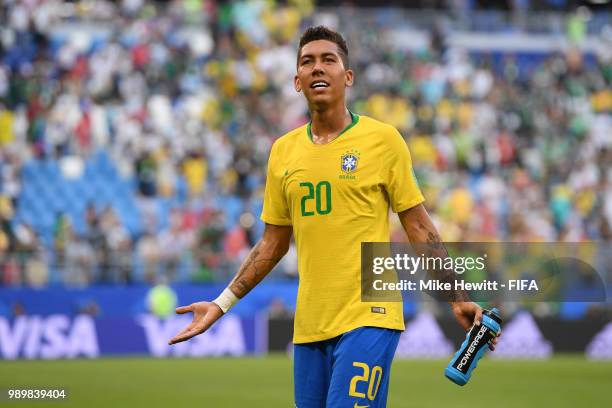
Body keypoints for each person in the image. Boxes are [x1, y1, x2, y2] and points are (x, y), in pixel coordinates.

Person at [169, 26, 498, 407]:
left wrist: (456, 297)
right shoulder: (283, 152)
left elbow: (419, 226)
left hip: (370, 316)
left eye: (329, 60)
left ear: (348, 76)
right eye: (307, 62)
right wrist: (222, 302)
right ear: (297, 81)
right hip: (310, 324)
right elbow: (272, 244)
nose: (317, 68)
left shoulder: (383, 140)